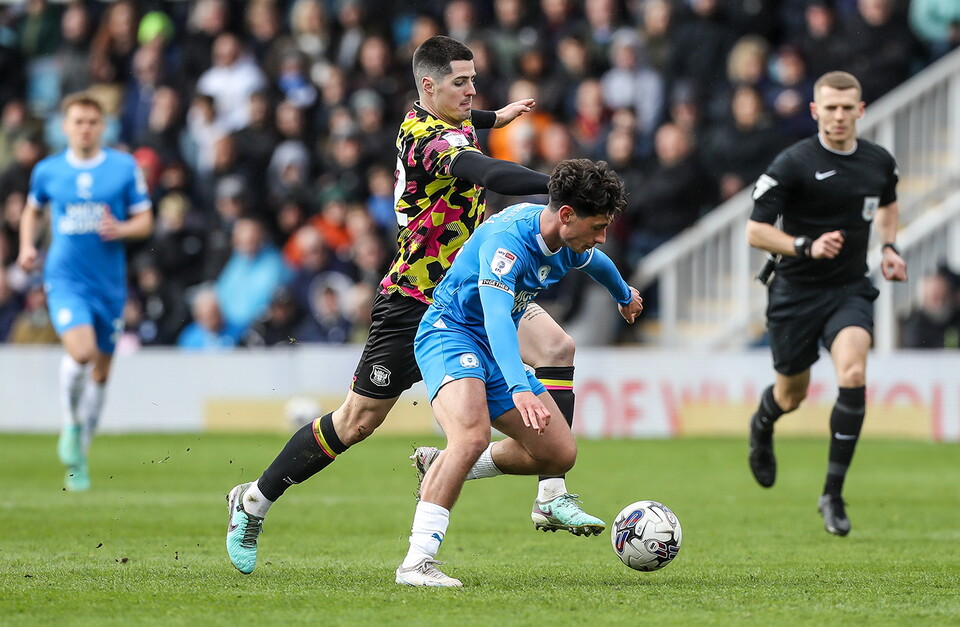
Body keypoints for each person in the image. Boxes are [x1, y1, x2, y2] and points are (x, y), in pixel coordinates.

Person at [225, 35, 604, 575]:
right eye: (461, 82)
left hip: (476, 285)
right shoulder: (429, 138)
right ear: (428, 86)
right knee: (355, 422)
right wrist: (565, 192)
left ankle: (551, 492)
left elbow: (475, 123)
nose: (472, 90)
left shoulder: (454, 120)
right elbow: (492, 176)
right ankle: (254, 501)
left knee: (556, 344)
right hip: (416, 300)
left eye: (474, 80)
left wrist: (498, 115)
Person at [396, 159, 643, 587]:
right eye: (597, 226)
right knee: (471, 435)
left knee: (558, 453)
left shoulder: (569, 241)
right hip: (450, 335)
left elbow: (597, 262)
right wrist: (519, 389)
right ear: (567, 215)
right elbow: (494, 318)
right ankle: (416, 563)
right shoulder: (508, 243)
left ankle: (448, 465)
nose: (601, 237)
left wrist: (624, 295)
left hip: (495, 348)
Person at [746, 71, 907, 536]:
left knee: (853, 373)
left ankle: (832, 494)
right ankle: (763, 422)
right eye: (829, 108)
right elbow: (755, 230)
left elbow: (889, 203)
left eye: (847, 107)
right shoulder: (793, 162)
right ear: (815, 111)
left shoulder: (879, 161)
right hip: (795, 292)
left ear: (861, 110)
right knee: (791, 395)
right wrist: (805, 245)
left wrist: (890, 247)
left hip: (848, 289)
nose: (838, 116)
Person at [18, 93, 153, 491]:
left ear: (102, 126)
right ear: (65, 126)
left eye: (92, 122)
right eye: (78, 121)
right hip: (64, 279)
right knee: (81, 353)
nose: (85, 128)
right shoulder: (48, 171)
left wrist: (122, 229)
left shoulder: (123, 168)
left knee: (100, 374)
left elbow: (144, 220)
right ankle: (70, 424)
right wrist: (27, 246)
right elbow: (32, 209)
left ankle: (81, 456)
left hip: (109, 285)